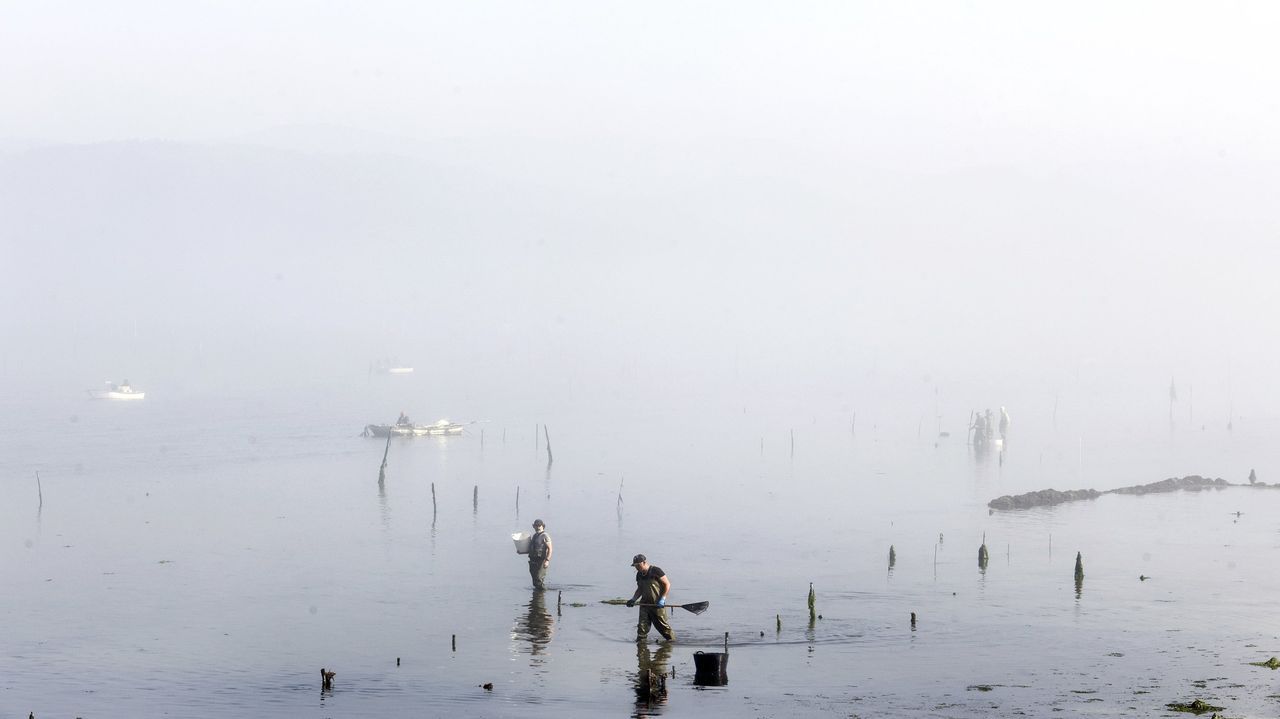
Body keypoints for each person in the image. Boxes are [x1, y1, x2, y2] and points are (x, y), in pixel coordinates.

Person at [626, 554, 674, 642]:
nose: (636, 567)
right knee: (642, 628)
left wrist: (662, 599)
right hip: (644, 604)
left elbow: (667, 584)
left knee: (663, 628)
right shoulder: (639, 575)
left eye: (638, 565)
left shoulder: (656, 571)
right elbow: (640, 589)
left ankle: (672, 643)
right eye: (635, 566)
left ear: (644, 562)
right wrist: (633, 599)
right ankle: (641, 645)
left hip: (657, 604)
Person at [527, 519, 552, 590]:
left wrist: (547, 560)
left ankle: (542, 593)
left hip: (541, 560)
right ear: (533, 526)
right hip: (533, 561)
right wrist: (521, 552)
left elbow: (550, 549)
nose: (537, 527)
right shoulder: (535, 536)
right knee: (535, 581)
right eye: (536, 525)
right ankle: (538, 594)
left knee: (539, 579)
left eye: (539, 525)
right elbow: (532, 549)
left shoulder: (545, 535)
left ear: (542, 526)